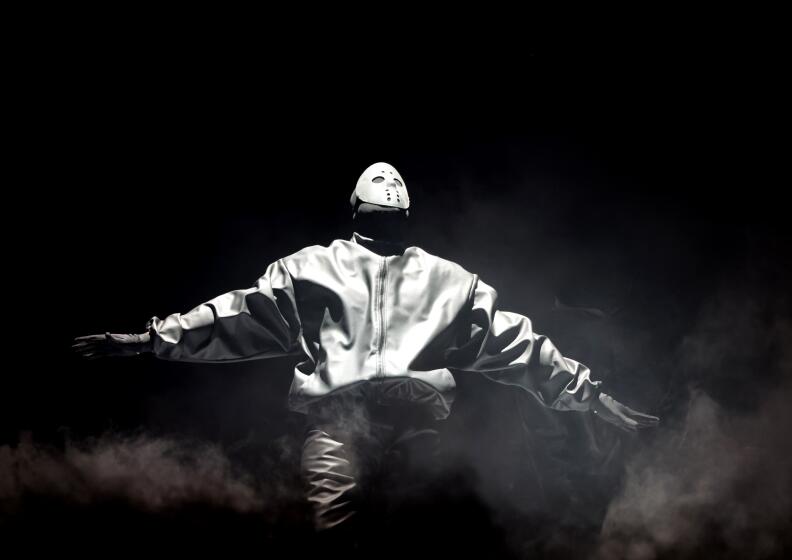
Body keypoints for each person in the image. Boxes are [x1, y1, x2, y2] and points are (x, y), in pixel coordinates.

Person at [74, 162, 658, 540]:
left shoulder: (445, 280)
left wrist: (591, 394)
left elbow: (518, 344)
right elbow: (238, 315)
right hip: (349, 434)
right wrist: (151, 339)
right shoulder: (322, 269)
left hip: (404, 437)